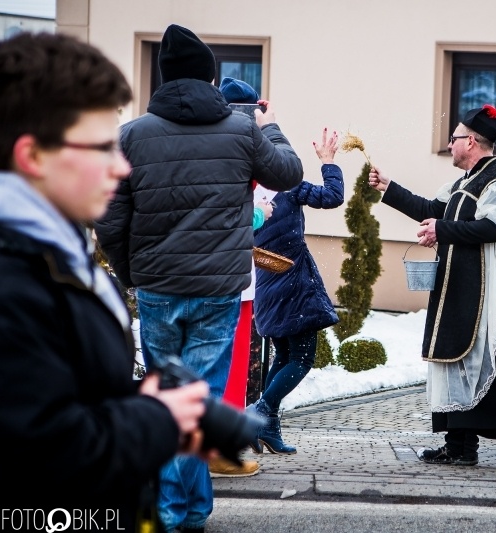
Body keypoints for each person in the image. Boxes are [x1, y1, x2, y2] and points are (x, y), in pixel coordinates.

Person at [93, 24, 303, 533]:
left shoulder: (133, 135)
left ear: (164, 78)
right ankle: (184, 513)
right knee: (201, 401)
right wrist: (269, 126)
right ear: (211, 77)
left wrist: (131, 272)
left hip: (159, 287)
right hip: (216, 290)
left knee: (169, 400)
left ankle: (178, 511)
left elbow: (109, 220)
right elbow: (290, 173)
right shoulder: (242, 131)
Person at [0, 31, 211, 530]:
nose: (121, 166)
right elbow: (46, 464)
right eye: (102, 147)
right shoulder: (12, 281)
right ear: (34, 156)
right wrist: (158, 419)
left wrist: (136, 399)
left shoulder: (50, 248)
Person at [368, 104, 496, 470]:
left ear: (470, 141)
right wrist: (389, 188)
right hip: (460, 284)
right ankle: (459, 444)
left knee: (493, 364)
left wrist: (442, 230)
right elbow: (431, 208)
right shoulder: (463, 183)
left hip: (488, 291)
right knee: (458, 361)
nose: (450, 144)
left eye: (454, 138)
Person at [247, 127, 343, 454]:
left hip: (266, 279)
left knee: (285, 354)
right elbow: (332, 197)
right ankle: (259, 413)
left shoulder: (244, 185)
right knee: (302, 359)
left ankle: (267, 428)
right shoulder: (287, 183)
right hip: (294, 284)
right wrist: (328, 161)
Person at [218, 76, 273, 411]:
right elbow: (284, 171)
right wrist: (269, 128)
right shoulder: (246, 146)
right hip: (235, 275)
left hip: (186, 274)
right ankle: (225, 444)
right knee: (234, 364)